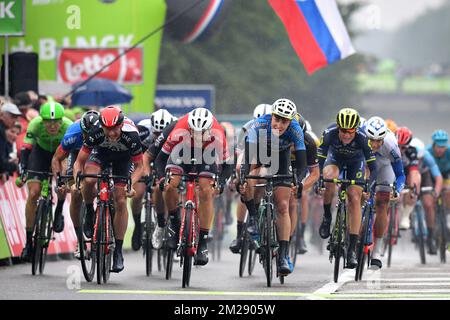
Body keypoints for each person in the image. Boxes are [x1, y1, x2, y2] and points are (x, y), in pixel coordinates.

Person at [154, 107, 233, 266]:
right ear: (189, 127)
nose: (197, 136)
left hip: (207, 155)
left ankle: (203, 242)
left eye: (201, 132)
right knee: (170, 186)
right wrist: (162, 178)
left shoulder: (217, 134)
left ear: (209, 129)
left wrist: (222, 183)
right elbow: (160, 159)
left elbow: (227, 166)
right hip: (181, 152)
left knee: (206, 189)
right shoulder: (179, 130)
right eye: (194, 132)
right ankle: (174, 223)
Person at [238, 98, 307, 276]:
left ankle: (283, 254)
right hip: (259, 151)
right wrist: (244, 179)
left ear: (290, 121)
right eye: (277, 119)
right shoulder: (260, 124)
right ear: (272, 116)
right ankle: (253, 217)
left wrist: (297, 182)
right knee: (250, 180)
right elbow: (249, 158)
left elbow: (302, 164)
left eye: (284, 121)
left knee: (283, 206)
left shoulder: (295, 130)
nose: (279, 124)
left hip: (282, 157)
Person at [73, 105, 144, 273]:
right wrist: (77, 179)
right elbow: (79, 162)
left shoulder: (132, 135)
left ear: (121, 125)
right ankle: (90, 211)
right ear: (102, 126)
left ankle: (118, 252)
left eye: (115, 129)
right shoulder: (95, 131)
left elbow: (139, 166)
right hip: (100, 154)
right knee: (89, 180)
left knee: (120, 199)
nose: (111, 134)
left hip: (123, 160)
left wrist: (130, 184)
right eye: (107, 129)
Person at [317, 108, 377, 269]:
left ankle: (351, 249)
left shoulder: (363, 138)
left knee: (355, 197)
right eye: (343, 130)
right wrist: (319, 179)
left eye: (350, 131)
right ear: (338, 127)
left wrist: (369, 185)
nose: (346, 135)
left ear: (356, 129)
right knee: (329, 177)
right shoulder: (329, 133)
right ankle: (327, 216)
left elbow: (373, 166)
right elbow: (320, 157)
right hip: (334, 159)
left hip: (356, 163)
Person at [17, 102, 73, 262]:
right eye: (48, 121)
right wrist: (23, 169)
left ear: (62, 121)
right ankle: (28, 242)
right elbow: (25, 149)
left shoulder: (68, 126)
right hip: (40, 154)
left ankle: (59, 211)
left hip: (61, 154)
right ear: (42, 120)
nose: (53, 125)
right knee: (33, 193)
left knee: (63, 182)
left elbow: (73, 154)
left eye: (56, 122)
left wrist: (69, 177)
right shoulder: (35, 124)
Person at [51, 110, 100, 258]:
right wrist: (60, 179)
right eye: (85, 135)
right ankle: (80, 240)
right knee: (75, 191)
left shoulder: (103, 133)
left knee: (94, 184)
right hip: (76, 155)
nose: (88, 138)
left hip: (96, 154)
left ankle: (94, 213)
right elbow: (57, 159)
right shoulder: (73, 133)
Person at [362, 116, 405, 269]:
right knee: (358, 194)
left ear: (384, 138)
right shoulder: (360, 136)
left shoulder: (391, 145)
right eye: (371, 140)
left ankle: (377, 251)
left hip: (384, 167)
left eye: (378, 141)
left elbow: (400, 175)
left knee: (382, 203)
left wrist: (397, 190)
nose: (374, 144)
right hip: (366, 165)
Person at [229, 103, 272, 254]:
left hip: (270, 157)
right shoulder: (247, 128)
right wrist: (237, 175)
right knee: (245, 189)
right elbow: (239, 154)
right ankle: (239, 234)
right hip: (251, 154)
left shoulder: (278, 129)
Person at [130, 108, 176, 251]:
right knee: (137, 194)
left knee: (165, 187)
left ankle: (166, 221)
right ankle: (138, 226)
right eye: (156, 133)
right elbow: (136, 156)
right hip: (144, 156)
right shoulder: (142, 130)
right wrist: (145, 172)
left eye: (161, 134)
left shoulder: (174, 130)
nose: (158, 137)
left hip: (166, 158)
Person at [288, 113, 320, 256]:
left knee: (303, 195)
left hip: (303, 168)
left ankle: (300, 236)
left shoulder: (310, 142)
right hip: (284, 165)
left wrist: (302, 186)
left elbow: (315, 171)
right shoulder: (277, 137)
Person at [427, 130, 450, 219]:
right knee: (430, 194)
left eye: (443, 146)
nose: (440, 149)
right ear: (433, 145)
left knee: (448, 192)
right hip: (431, 175)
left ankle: (448, 214)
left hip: (445, 174)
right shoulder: (428, 151)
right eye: (438, 146)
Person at [0, 103, 21, 176]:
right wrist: (13, 165)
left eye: (16, 117)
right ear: (2, 115)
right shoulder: (1, 131)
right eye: (12, 116)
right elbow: (1, 163)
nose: (15, 120)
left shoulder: (3, 130)